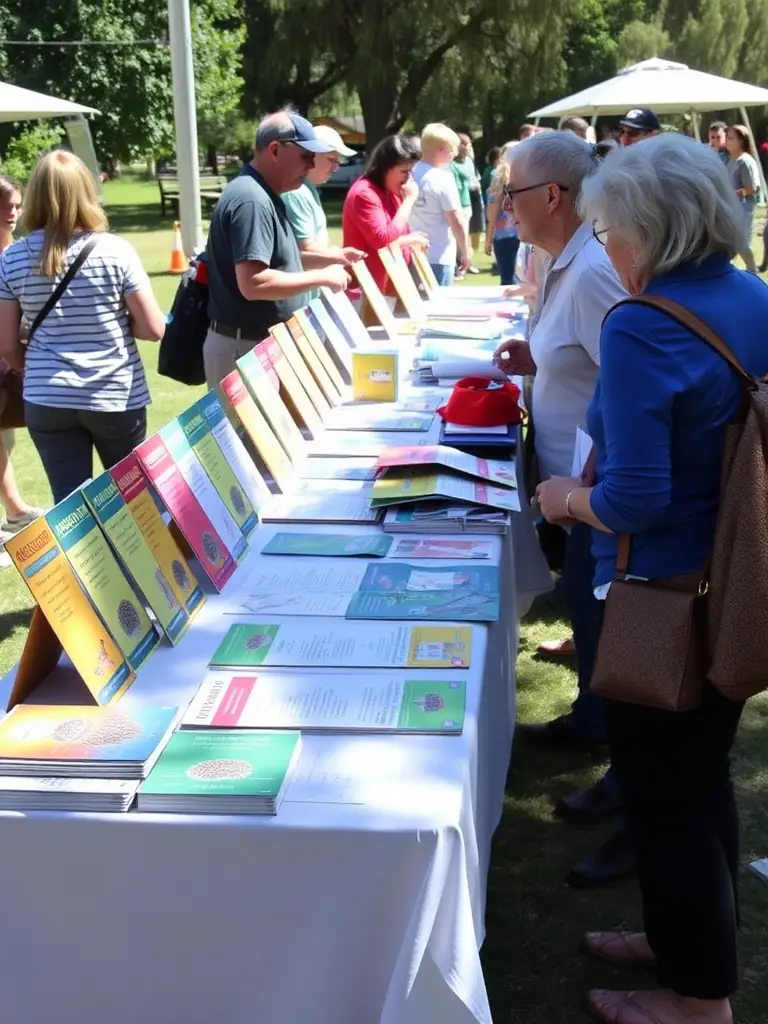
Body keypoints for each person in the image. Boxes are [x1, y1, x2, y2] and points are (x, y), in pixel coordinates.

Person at [536, 131, 767, 1024]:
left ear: (649, 230)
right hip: (736, 585)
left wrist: (563, 500)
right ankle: (688, 947)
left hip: (662, 597)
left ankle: (698, 1001)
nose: (608, 250)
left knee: (666, 799)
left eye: (611, 233)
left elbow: (633, 498)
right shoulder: (750, 293)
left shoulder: (640, 323)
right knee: (700, 785)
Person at [491, 131, 630, 888]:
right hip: (571, 483)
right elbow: (579, 352)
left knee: (599, 609)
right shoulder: (567, 263)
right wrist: (534, 358)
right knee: (582, 602)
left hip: (592, 487)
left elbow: (627, 376)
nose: (503, 208)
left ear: (552, 196)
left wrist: (586, 486)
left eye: (511, 193)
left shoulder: (594, 269)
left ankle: (617, 755)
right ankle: (591, 722)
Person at [0, 152, 165, 506]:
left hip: (46, 395)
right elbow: (154, 328)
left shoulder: (11, 258)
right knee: (136, 503)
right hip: (114, 394)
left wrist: (30, 365)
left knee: (71, 509)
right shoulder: (117, 251)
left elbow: (7, 344)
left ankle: (83, 564)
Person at [204, 110, 351, 392]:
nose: (310, 165)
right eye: (305, 156)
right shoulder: (252, 200)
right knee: (248, 437)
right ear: (274, 150)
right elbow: (254, 283)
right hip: (245, 348)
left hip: (256, 344)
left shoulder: (264, 194)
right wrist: (322, 277)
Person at [0, 175, 43, 564]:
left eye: (16, 205)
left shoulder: (12, 250)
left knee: (5, 441)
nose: (12, 213)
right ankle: (13, 510)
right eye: (5, 206)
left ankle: (13, 510)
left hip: (9, 362)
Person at [283, 125, 366, 297]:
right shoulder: (296, 192)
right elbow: (307, 248)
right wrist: (340, 257)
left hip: (313, 291)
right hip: (303, 296)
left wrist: (339, 253)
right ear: (311, 155)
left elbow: (318, 242)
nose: (336, 168)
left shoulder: (308, 189)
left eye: (338, 161)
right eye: (331, 159)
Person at [341, 133, 428, 297]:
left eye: (411, 172)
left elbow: (395, 235)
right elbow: (381, 240)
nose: (409, 179)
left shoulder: (391, 191)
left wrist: (410, 241)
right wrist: (408, 201)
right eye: (404, 171)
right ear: (385, 167)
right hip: (368, 293)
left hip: (391, 287)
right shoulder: (364, 194)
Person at [410, 123, 471, 286]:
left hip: (410, 254)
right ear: (440, 150)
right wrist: (466, 251)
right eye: (452, 150)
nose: (455, 154)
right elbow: (456, 219)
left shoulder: (409, 173)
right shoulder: (443, 178)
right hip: (439, 256)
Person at [725, 123, 760, 274]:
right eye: (727, 137)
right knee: (730, 239)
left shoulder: (745, 161)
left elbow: (750, 188)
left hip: (744, 206)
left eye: (731, 138)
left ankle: (752, 270)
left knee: (741, 242)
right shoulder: (731, 159)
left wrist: (730, 194)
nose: (727, 141)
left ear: (741, 141)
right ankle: (729, 268)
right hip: (732, 206)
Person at [484, 142, 520, 285]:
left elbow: (493, 210)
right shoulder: (530, 175)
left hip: (506, 235)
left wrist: (489, 237)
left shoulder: (499, 178)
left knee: (508, 279)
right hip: (526, 235)